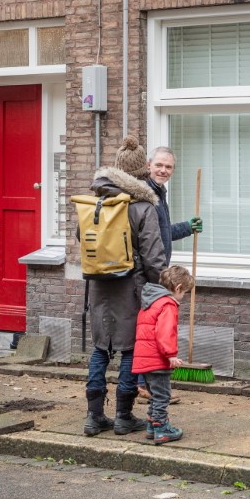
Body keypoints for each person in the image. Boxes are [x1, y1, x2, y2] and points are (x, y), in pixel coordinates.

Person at [82, 136, 168, 437]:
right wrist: (162, 287)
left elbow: (82, 240)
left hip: (98, 285)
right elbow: (154, 255)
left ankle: (93, 418)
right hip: (131, 287)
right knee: (130, 349)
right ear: (142, 172)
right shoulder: (142, 206)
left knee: (100, 349)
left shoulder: (94, 201)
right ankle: (123, 416)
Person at [136, 145, 202, 405]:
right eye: (159, 165)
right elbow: (147, 238)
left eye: (169, 167)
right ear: (149, 165)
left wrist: (187, 227)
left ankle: (148, 386)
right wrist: (159, 273)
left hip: (159, 270)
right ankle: (146, 386)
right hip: (152, 272)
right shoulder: (146, 194)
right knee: (152, 332)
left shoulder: (160, 194)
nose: (164, 170)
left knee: (152, 330)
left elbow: (162, 233)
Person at [132, 265, 194, 444]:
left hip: (144, 358)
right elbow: (165, 332)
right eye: (185, 293)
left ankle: (152, 425)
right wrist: (170, 354)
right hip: (157, 359)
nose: (183, 297)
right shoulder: (167, 304)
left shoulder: (149, 302)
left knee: (154, 394)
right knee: (163, 395)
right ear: (178, 288)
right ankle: (161, 428)